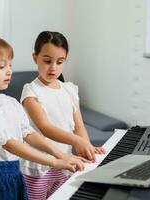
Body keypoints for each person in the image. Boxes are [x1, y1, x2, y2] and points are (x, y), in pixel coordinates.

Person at [0, 33, 84, 200]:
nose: (9, 71)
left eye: (10, 65)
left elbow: (28, 134)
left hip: (14, 176)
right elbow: (9, 144)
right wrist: (53, 161)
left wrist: (61, 155)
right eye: (2, 66)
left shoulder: (9, 102)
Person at [20, 31, 106, 200]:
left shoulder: (70, 90)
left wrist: (87, 146)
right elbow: (45, 127)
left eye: (60, 62)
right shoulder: (31, 91)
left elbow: (78, 126)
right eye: (47, 61)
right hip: (38, 167)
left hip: (64, 164)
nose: (53, 67)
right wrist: (77, 141)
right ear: (35, 57)